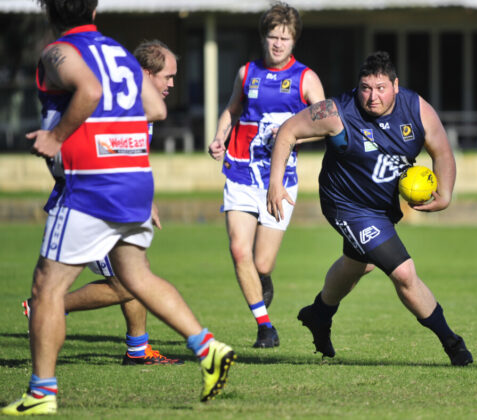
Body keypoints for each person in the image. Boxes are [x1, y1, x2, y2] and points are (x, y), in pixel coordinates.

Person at [2, 1, 234, 415]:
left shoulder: (59, 53)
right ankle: (209, 348)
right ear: (92, 8)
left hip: (92, 185)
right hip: (134, 181)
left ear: (49, 10)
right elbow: (156, 109)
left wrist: (57, 136)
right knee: (135, 276)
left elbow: (89, 91)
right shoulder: (117, 53)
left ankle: (41, 394)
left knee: (45, 290)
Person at [266, 51, 473, 366]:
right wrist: (275, 184)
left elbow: (442, 150)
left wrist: (445, 194)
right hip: (345, 204)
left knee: (358, 264)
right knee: (403, 272)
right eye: (365, 88)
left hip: (382, 207)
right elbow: (288, 131)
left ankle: (319, 314)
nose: (372, 96)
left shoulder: (416, 108)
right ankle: (453, 344)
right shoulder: (337, 112)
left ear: (395, 86)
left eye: (380, 88)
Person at [20, 40, 183, 366]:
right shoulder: (118, 104)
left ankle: (138, 349)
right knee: (130, 282)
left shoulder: (141, 107)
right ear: (147, 74)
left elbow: (131, 156)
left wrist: (144, 198)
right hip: (94, 201)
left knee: (137, 271)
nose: (172, 83)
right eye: (167, 76)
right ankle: (49, 305)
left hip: (117, 198)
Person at [208, 1, 324, 348]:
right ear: (263, 38)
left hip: (280, 182)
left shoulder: (305, 78)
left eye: (284, 39)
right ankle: (265, 327)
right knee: (239, 250)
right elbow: (231, 109)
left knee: (261, 262)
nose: (277, 44)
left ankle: (263, 279)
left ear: (294, 42)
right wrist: (218, 137)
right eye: (272, 36)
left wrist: (293, 134)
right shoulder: (247, 73)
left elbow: (328, 124)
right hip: (241, 173)